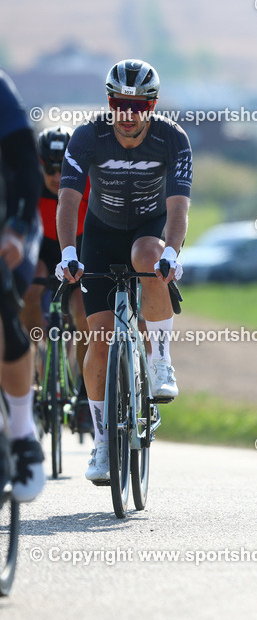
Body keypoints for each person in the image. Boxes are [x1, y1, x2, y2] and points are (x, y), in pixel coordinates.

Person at [55, 59, 191, 483]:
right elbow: (68, 203)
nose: (128, 115)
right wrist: (67, 253)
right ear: (109, 103)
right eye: (119, 104)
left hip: (149, 232)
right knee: (99, 340)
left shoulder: (172, 139)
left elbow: (178, 208)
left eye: (138, 105)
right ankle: (100, 442)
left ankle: (160, 361)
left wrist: (172, 251)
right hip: (99, 235)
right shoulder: (87, 136)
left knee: (149, 256)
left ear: (151, 107)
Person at [24, 127, 91, 427]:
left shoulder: (85, 184)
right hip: (41, 251)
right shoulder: (29, 185)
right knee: (30, 289)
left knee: (83, 314)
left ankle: (84, 392)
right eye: (48, 169)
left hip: (75, 251)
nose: (55, 176)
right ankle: (36, 349)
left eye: (61, 168)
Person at [0, 69, 44, 502]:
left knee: (4, 303)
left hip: (8, 222)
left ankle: (21, 430)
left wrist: (15, 227)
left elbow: (28, 169)